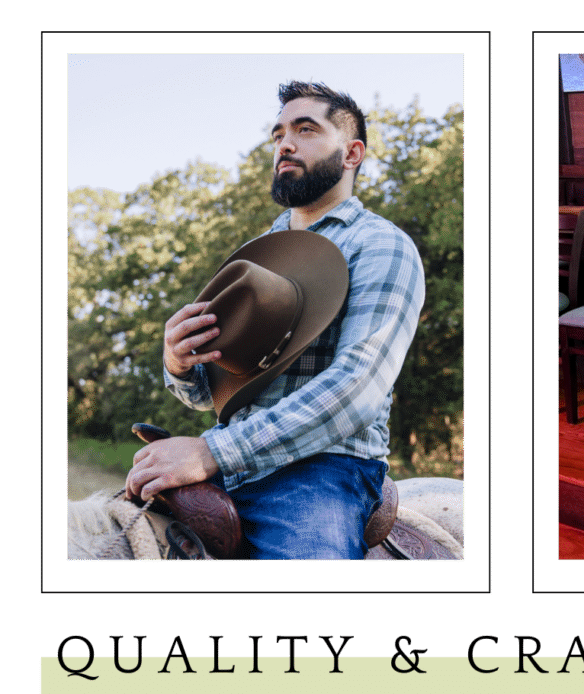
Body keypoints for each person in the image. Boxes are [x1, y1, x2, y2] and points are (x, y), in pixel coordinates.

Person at [124, 81, 426, 561]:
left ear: (352, 153)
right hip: (230, 458)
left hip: (324, 469)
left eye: (306, 130)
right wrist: (180, 364)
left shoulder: (381, 246)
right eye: (278, 133)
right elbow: (216, 394)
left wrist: (210, 453)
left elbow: (358, 389)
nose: (285, 143)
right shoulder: (257, 255)